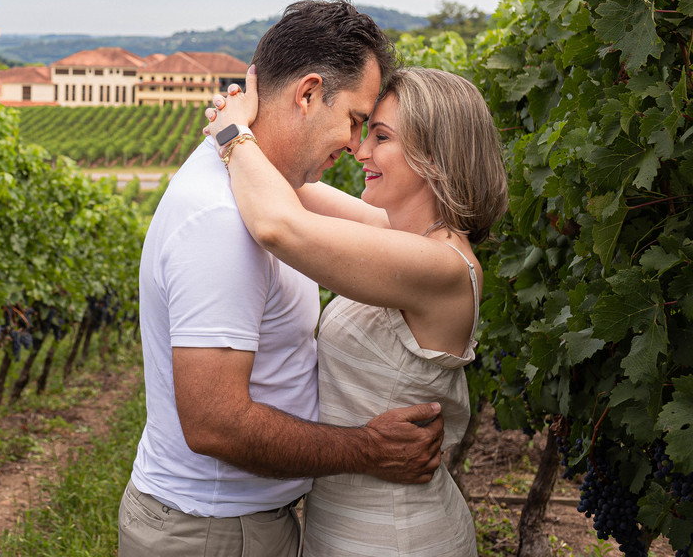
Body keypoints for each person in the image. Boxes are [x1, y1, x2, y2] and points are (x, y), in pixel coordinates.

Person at [118, 0, 446, 557]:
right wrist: (367, 449)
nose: (355, 144)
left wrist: (233, 136)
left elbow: (395, 230)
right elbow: (215, 424)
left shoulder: (266, 189)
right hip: (211, 533)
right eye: (354, 120)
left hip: (234, 525)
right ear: (309, 93)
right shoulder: (223, 221)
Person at [202, 64, 508, 555]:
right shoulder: (403, 238)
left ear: (434, 157)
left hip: (397, 536)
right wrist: (256, 125)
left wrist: (234, 135)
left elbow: (279, 225)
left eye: (381, 137)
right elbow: (292, 186)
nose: (360, 150)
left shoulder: (443, 266)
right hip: (347, 524)